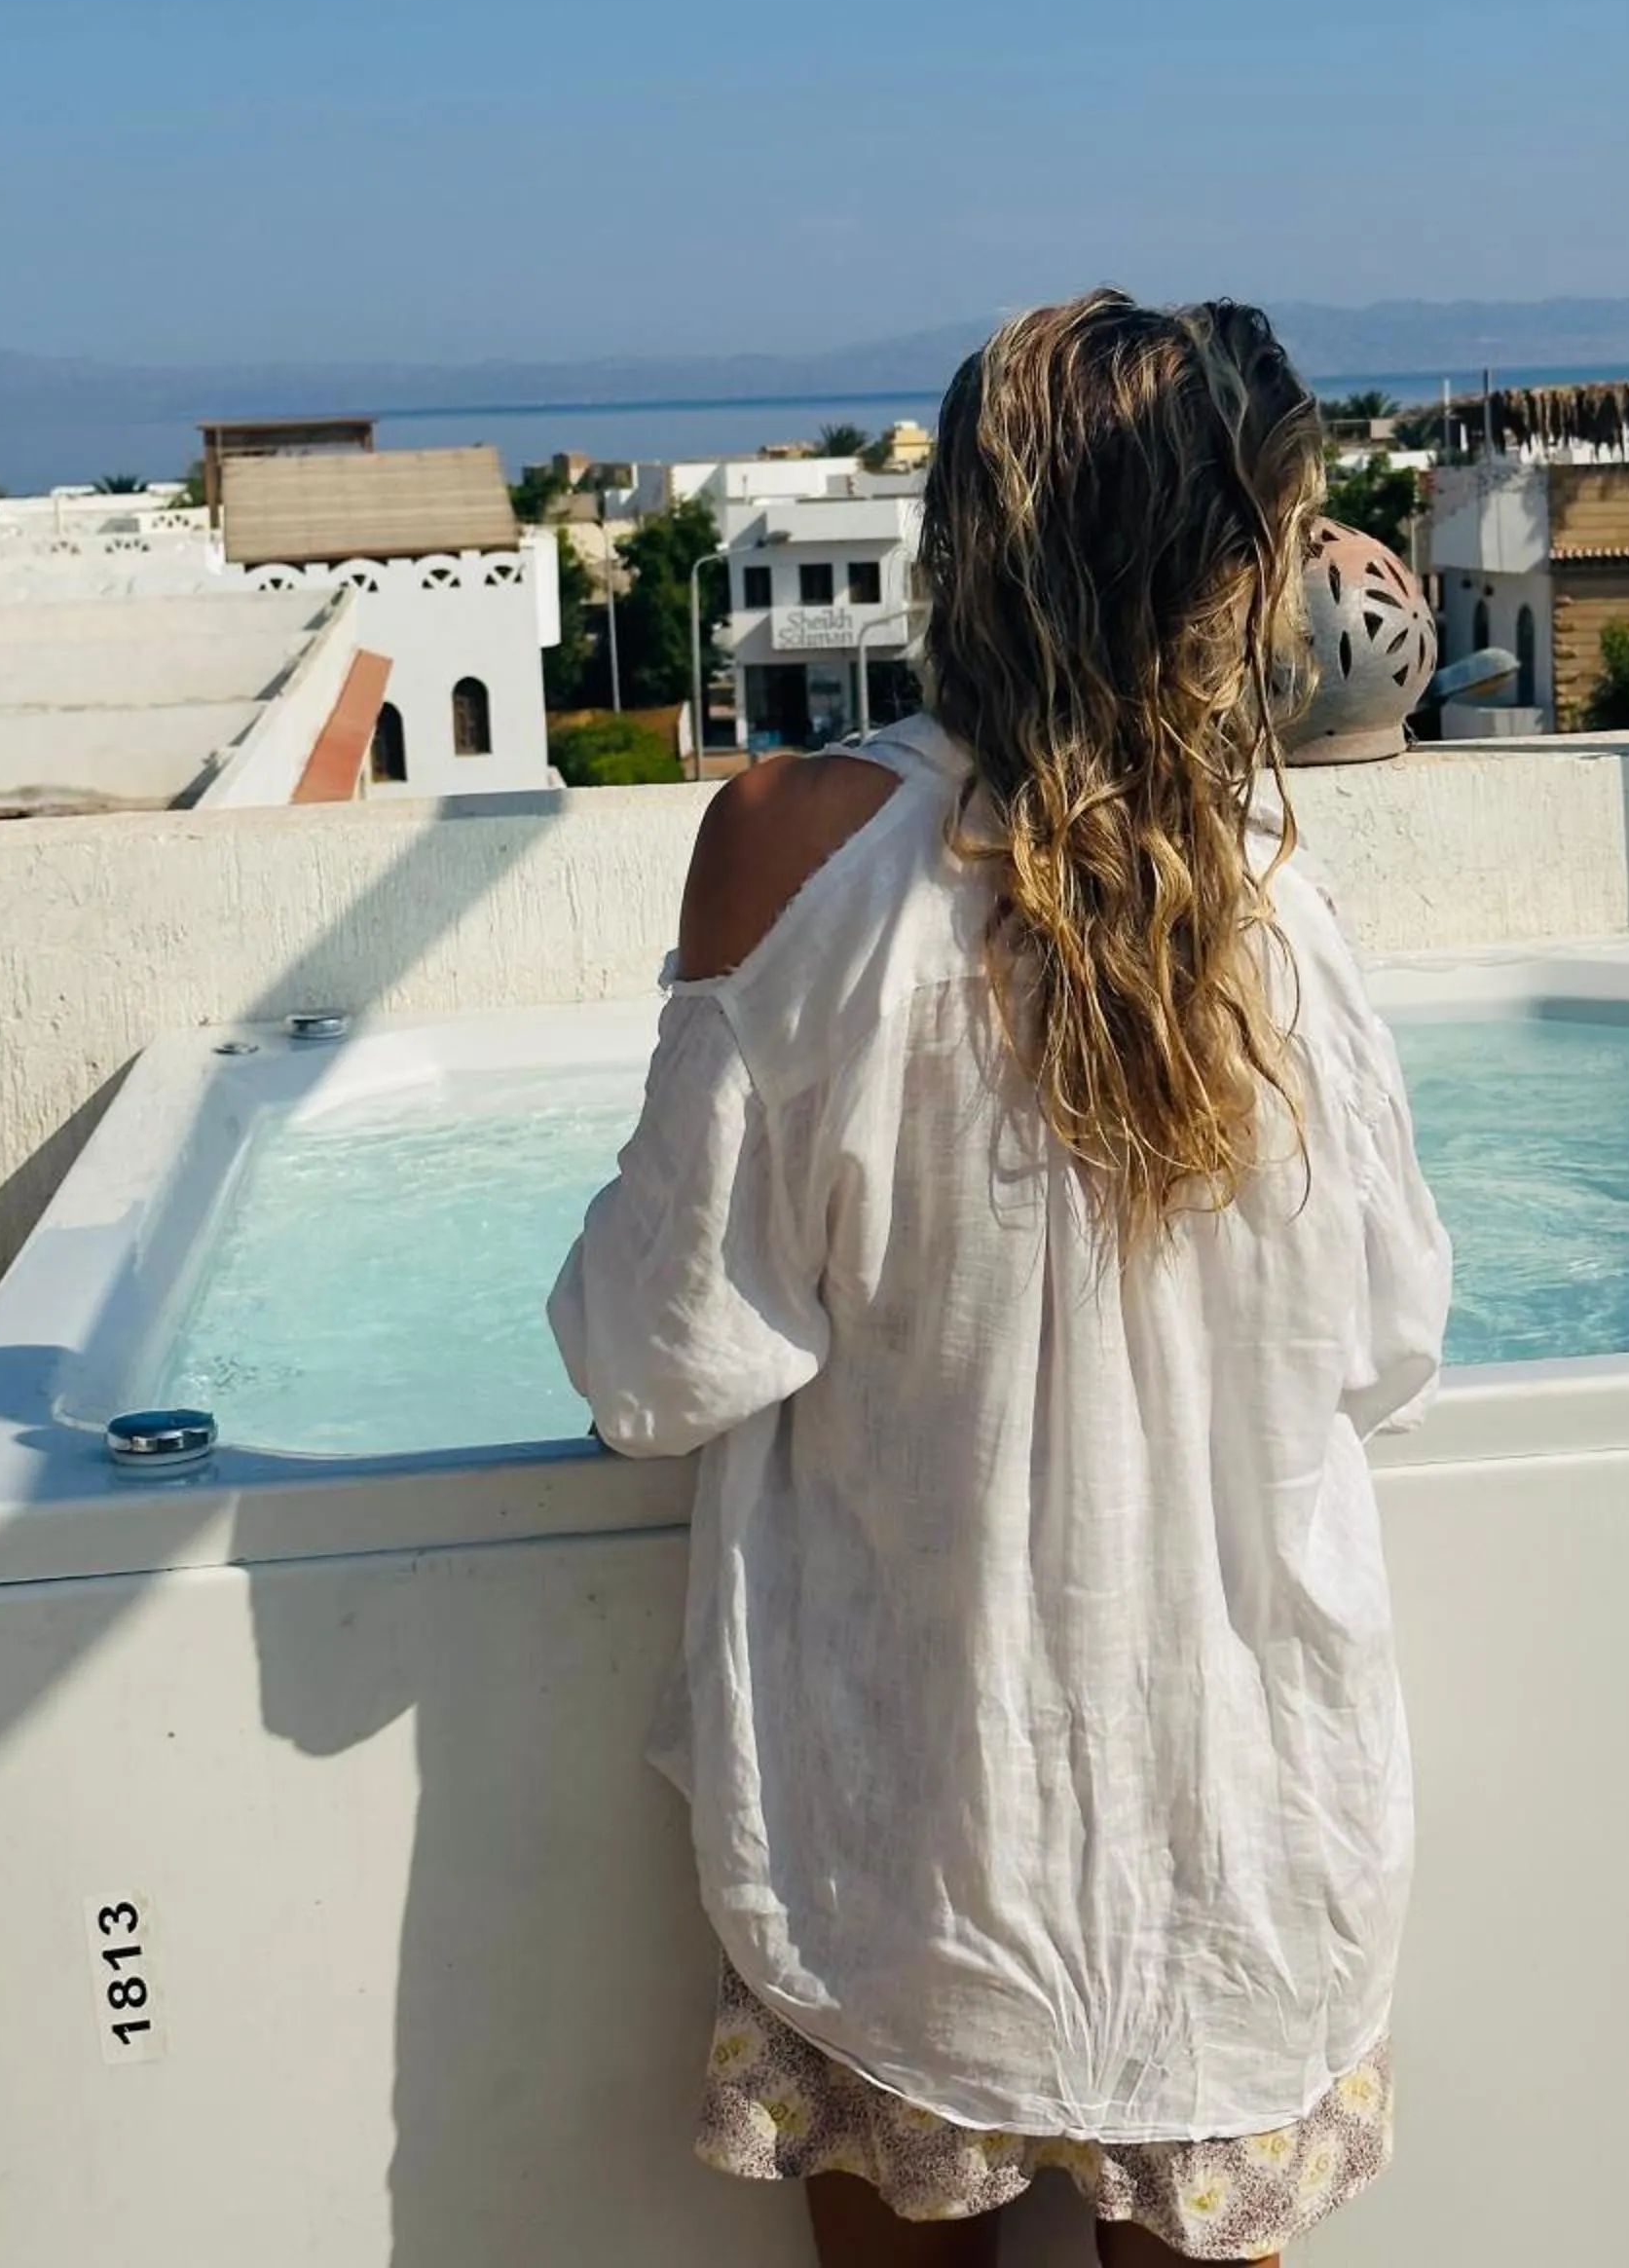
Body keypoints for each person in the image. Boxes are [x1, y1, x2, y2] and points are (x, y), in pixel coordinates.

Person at [549, 290, 1452, 2266]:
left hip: (913, 1847)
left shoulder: (797, 854)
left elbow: (652, 1360)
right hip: (1246, 1845)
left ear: (970, 535)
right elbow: (1390, 1348)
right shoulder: (1287, 907)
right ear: (1242, 570)